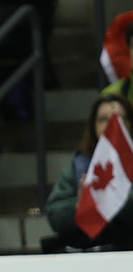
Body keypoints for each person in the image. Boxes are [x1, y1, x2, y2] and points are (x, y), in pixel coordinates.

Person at [45, 94, 133, 252]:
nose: (111, 125)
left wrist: (106, 199)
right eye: (104, 119)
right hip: (87, 255)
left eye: (120, 118)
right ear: (94, 125)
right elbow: (55, 213)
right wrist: (80, 205)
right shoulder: (78, 166)